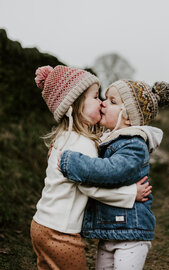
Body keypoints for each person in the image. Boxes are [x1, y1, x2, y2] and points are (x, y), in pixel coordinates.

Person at [31, 66, 151, 270]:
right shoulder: (82, 144)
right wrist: (131, 194)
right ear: (75, 105)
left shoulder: (65, 136)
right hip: (61, 232)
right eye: (95, 97)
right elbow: (88, 187)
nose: (101, 103)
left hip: (40, 224)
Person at [59, 79, 169, 270]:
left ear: (129, 117)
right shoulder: (109, 138)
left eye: (113, 101)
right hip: (109, 231)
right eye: (105, 98)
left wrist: (69, 161)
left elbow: (110, 171)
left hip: (131, 233)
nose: (103, 103)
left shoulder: (134, 144)